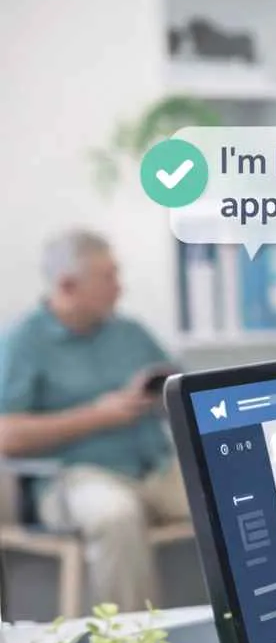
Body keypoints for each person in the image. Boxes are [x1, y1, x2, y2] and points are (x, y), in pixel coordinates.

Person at [0, 231, 190, 611]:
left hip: (155, 468)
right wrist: (97, 416)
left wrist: (160, 395)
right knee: (115, 516)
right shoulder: (24, 341)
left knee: (230, 488)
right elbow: (7, 435)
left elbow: (182, 393)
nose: (120, 288)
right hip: (77, 478)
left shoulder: (130, 332)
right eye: (108, 277)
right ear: (68, 285)